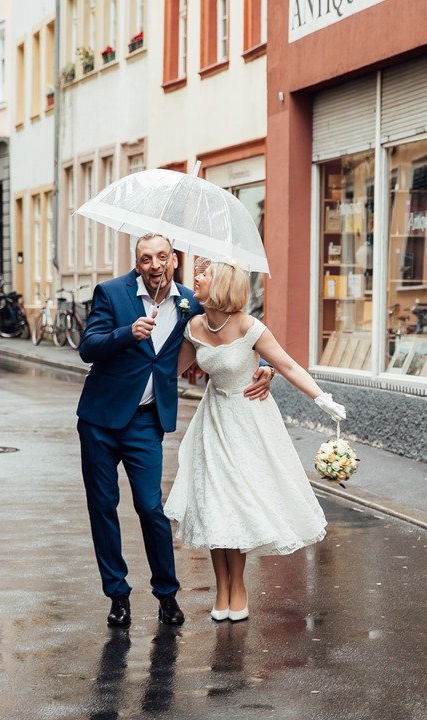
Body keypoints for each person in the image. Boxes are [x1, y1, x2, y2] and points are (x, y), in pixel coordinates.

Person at [76, 234, 276, 627]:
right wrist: (125, 333)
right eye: (146, 258)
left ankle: (166, 594)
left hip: (147, 421)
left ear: (173, 261)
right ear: (138, 264)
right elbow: (88, 347)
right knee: (103, 508)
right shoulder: (111, 293)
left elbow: (233, 331)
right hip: (100, 419)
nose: (155, 265)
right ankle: (117, 596)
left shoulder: (191, 301)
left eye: (162, 257)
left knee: (152, 507)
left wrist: (263, 367)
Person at [165, 259, 347, 622]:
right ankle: (222, 587)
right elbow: (168, 371)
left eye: (203, 274)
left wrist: (322, 400)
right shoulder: (194, 325)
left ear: (220, 285)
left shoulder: (250, 327)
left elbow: (288, 364)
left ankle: (239, 586)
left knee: (238, 501)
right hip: (213, 420)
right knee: (213, 503)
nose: (195, 279)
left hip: (248, 420)